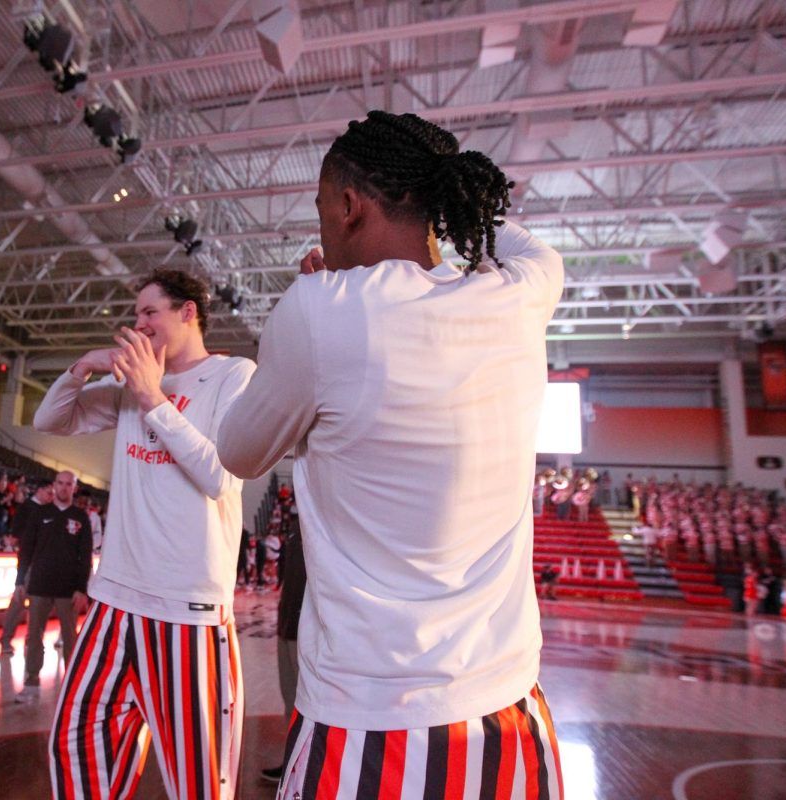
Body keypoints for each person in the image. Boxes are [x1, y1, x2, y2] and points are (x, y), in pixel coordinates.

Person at [217, 111, 564, 798]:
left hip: (368, 725)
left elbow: (237, 452)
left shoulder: (318, 311)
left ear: (347, 207)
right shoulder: (525, 290)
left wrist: (307, 320)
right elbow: (514, 238)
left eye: (320, 209)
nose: (320, 226)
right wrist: (445, 197)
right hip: (511, 716)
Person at [34, 269, 255, 799]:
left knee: (198, 782)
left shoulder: (233, 375)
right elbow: (49, 419)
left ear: (188, 313)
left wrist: (153, 398)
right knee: (75, 744)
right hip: (114, 600)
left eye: (149, 312)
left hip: (188, 609)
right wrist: (82, 368)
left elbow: (220, 475)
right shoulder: (131, 383)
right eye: (135, 315)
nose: (138, 324)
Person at [13, 471, 92, 703]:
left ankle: (74, 686)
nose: (64, 488)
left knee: (70, 638)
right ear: (54, 486)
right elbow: (26, 549)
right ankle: (31, 682)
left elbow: (85, 556)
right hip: (39, 584)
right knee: (33, 635)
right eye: (61, 483)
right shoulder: (39, 513)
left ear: (74, 488)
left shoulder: (81, 518)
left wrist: (82, 588)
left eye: (69, 484)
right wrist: (20, 581)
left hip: (68, 589)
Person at [260, 514, 306, 785]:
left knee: (306, 703)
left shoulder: (326, 513)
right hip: (287, 624)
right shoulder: (295, 525)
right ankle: (292, 763)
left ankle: (306, 767)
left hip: (308, 628)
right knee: (290, 702)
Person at [1, 481, 53, 656]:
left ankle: (32, 641)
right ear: (39, 490)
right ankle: (6, 640)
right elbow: (16, 536)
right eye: (48, 492)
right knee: (18, 603)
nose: (51, 496)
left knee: (39, 606)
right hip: (29, 562)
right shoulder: (27, 508)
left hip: (43, 564)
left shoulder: (49, 511)